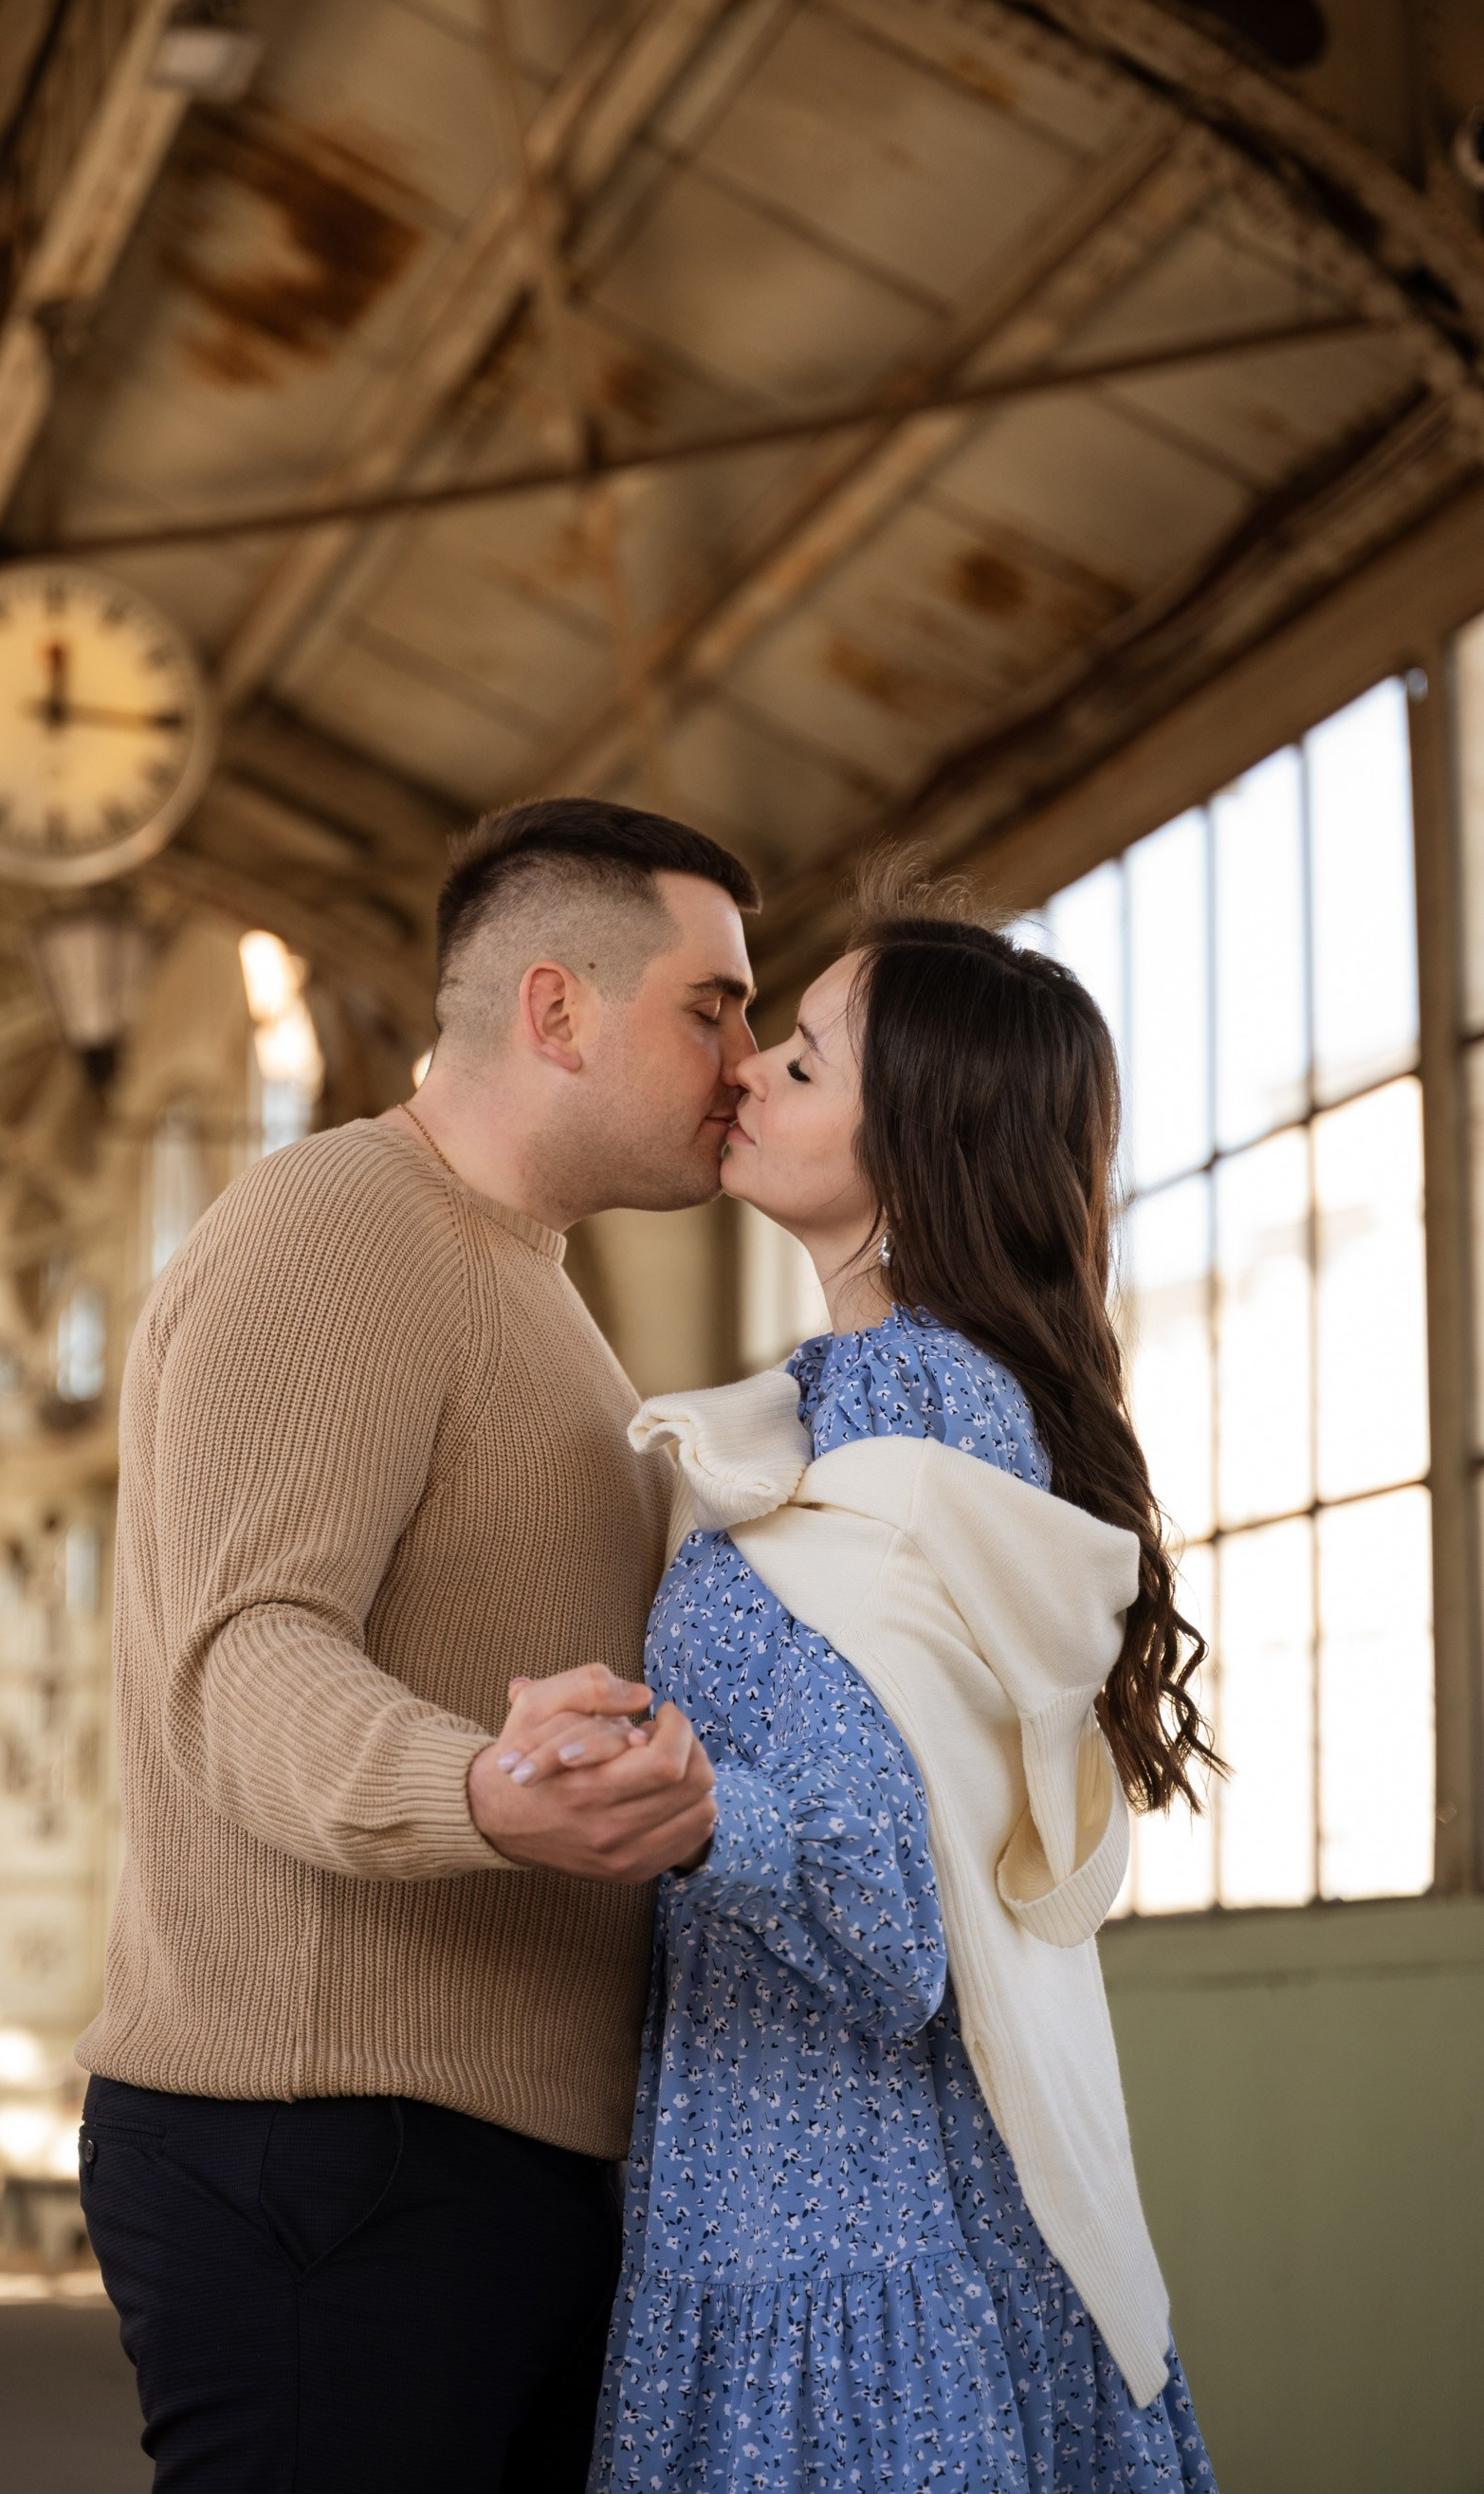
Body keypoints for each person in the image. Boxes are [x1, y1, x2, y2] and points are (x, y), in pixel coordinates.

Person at [76, 797, 754, 2493]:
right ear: (556, 1009)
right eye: (714, 1007)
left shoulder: (526, 1281)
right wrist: (475, 1790)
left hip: (465, 2160)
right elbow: (246, 1650)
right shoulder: (344, 1222)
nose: (746, 1063)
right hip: (332, 2149)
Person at [510, 877, 1219, 2492]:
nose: (747, 1068)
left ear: (913, 1146)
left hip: (839, 2244)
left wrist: (689, 1805)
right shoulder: (888, 1398)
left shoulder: (908, 1404)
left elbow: (887, 1921)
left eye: (804, 1061)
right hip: (844, 2204)